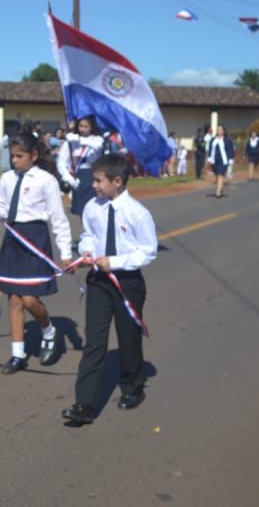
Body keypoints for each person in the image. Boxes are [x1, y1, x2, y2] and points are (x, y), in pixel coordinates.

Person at [62, 153, 156, 426]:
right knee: (94, 340)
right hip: (99, 282)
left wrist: (114, 262)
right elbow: (89, 235)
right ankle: (85, 404)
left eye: (99, 181)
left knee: (128, 338)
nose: (94, 186)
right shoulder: (93, 207)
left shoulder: (137, 213)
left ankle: (133, 387)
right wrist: (85, 252)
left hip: (127, 282)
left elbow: (147, 252)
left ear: (118, 181)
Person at [0, 130, 72, 374]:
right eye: (12, 156)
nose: (15, 161)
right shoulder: (7, 179)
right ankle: (17, 354)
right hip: (12, 237)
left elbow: (57, 217)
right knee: (14, 298)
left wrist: (65, 251)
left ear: (33, 155)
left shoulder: (46, 180)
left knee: (30, 298)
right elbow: (3, 207)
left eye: (20, 156)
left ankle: (48, 330)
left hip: (35, 239)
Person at [58, 116, 104, 216]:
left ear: (91, 127)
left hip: (93, 177)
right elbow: (61, 162)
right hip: (77, 178)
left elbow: (97, 146)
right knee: (82, 212)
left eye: (85, 126)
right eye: (80, 126)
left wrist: (77, 139)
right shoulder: (70, 142)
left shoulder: (98, 140)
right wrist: (69, 178)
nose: (82, 129)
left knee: (95, 211)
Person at [207, 125, 233, 199]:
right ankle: (220, 188)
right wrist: (209, 159)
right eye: (218, 129)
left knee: (220, 175)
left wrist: (230, 160)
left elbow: (230, 150)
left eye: (221, 129)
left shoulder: (227, 140)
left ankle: (218, 192)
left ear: (223, 131)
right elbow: (210, 150)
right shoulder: (213, 140)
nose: (219, 131)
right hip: (214, 161)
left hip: (224, 161)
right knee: (217, 176)